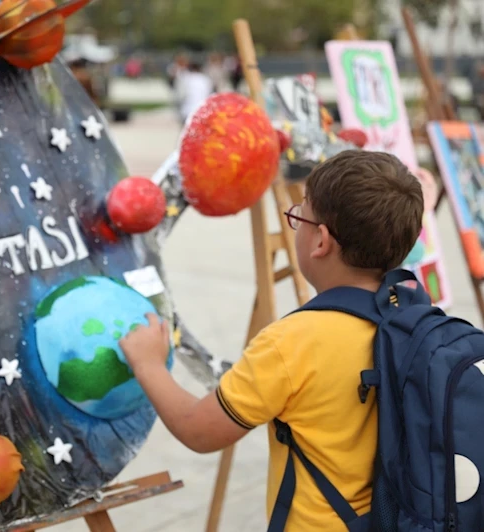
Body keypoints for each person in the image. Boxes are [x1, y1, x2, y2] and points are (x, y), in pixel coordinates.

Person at [120, 151, 426, 530]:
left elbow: (199, 430)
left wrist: (148, 364)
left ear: (321, 242)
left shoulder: (292, 343)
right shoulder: (413, 315)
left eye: (300, 217)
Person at [175, 61, 214, 125]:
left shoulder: (186, 79)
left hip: (187, 110)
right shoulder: (206, 79)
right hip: (202, 111)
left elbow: (180, 95)